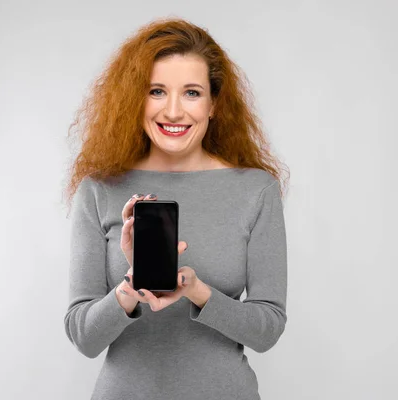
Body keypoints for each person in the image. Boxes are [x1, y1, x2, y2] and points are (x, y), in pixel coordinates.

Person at [63, 17, 289, 400]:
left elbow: (267, 329)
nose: (172, 111)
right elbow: (84, 337)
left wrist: (196, 290)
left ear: (214, 103)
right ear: (136, 98)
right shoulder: (99, 190)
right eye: (156, 91)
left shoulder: (256, 190)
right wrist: (132, 286)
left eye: (191, 93)